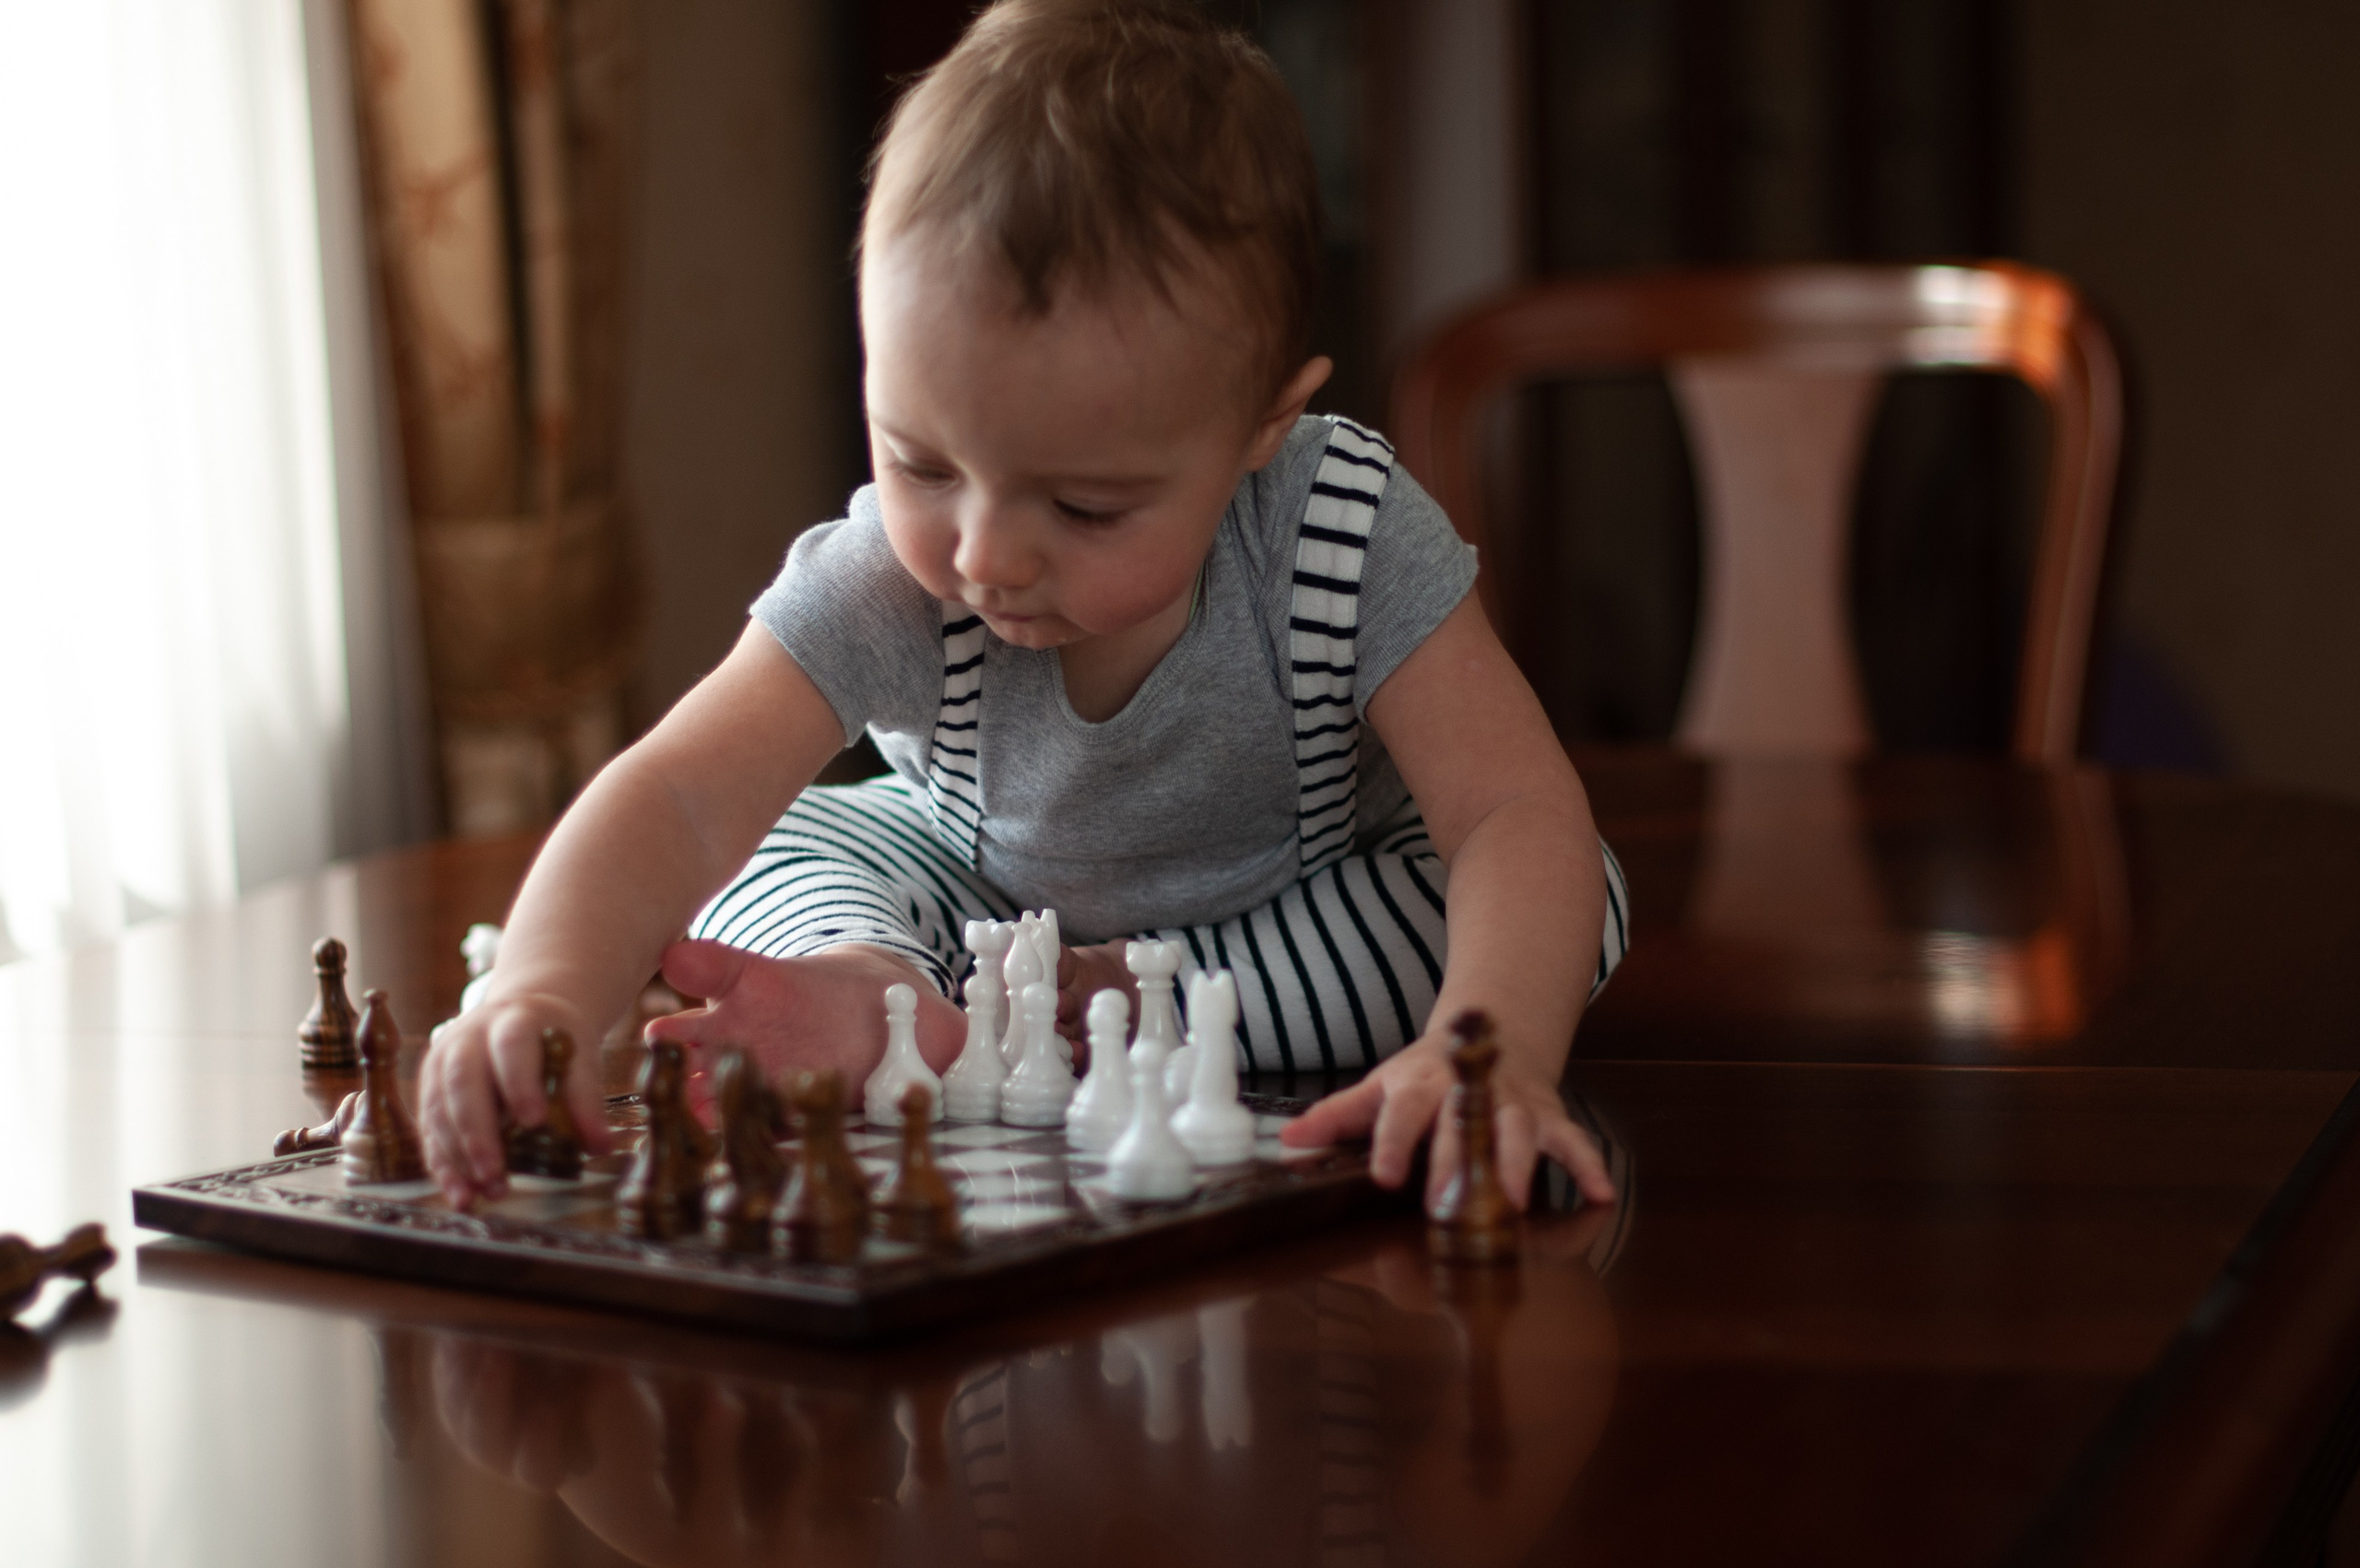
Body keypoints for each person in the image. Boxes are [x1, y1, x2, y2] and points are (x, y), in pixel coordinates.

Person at [419, 0, 1628, 1216]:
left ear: (1264, 423)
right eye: (922, 464)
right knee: (785, 848)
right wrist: (542, 986)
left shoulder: (1343, 528)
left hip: (1290, 909)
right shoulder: (886, 577)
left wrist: (1492, 1051)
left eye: (1086, 506)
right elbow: (680, 794)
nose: (983, 556)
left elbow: (1510, 807)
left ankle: (1137, 1000)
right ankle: (878, 987)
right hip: (976, 899)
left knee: (1562, 894)